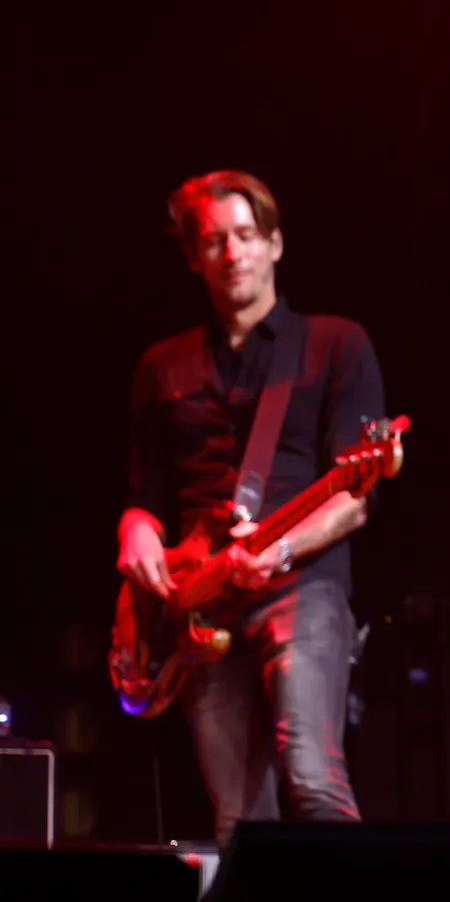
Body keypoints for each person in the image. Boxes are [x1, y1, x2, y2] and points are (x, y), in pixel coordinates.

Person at [116, 170, 385, 842]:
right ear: (192, 258)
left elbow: (355, 500)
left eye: (245, 236)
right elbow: (142, 501)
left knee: (314, 778)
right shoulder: (161, 366)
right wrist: (137, 537)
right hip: (198, 596)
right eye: (213, 241)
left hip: (301, 582)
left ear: (275, 244)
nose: (232, 254)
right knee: (237, 819)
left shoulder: (335, 343)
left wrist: (281, 549)